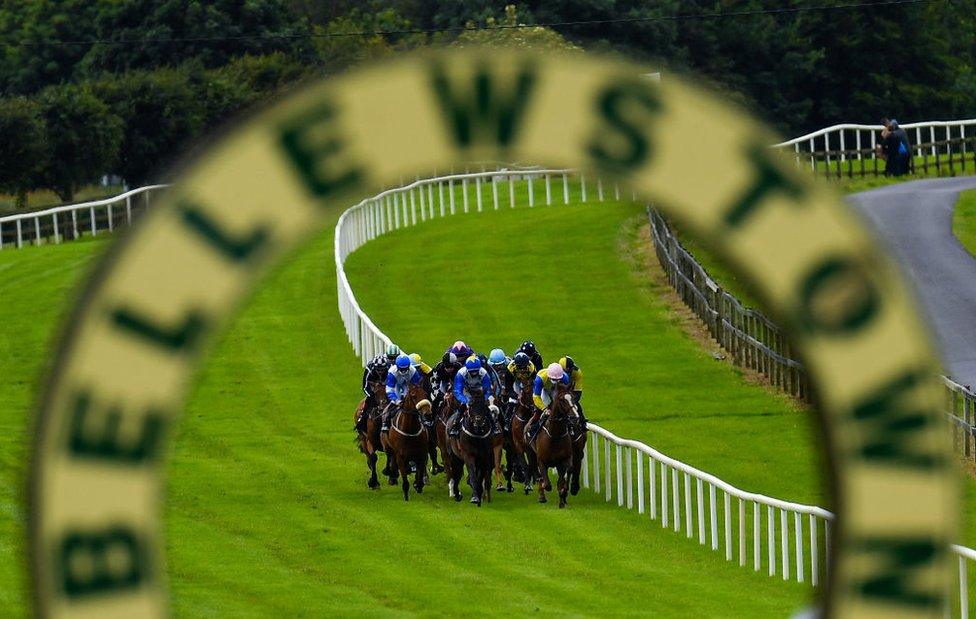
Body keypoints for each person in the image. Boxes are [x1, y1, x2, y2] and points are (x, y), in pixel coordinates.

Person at [449, 356, 499, 436]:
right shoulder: (461, 373)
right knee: (462, 406)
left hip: (480, 391)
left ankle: (494, 426)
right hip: (466, 391)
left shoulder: (483, 372)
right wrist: (465, 400)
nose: (474, 373)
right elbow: (457, 391)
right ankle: (455, 426)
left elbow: (488, 389)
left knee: (485, 405)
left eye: (476, 371)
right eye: (472, 372)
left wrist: (484, 399)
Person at [356, 343, 400, 431]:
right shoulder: (369, 368)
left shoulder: (390, 368)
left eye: (382, 370)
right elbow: (365, 386)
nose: (380, 372)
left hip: (386, 388)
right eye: (378, 370)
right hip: (374, 389)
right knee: (368, 403)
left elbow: (394, 385)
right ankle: (361, 422)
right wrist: (372, 396)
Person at [526, 363, 571, 442]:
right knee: (543, 409)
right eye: (554, 380)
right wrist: (545, 409)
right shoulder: (540, 378)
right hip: (545, 390)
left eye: (558, 380)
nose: (556, 381)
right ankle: (533, 428)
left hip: (558, 390)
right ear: (549, 376)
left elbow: (566, 394)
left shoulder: (565, 378)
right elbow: (536, 397)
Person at [382, 353, 422, 431]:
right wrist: (396, 401)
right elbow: (389, 389)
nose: (403, 371)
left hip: (407, 385)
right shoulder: (392, 372)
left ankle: (425, 422)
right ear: (397, 367)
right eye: (401, 369)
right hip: (396, 385)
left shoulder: (413, 371)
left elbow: (416, 386)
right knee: (391, 406)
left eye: (405, 369)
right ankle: (385, 423)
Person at [504, 352, 536, 429]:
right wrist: (515, 395)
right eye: (520, 368)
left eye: (524, 367)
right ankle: (507, 421)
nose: (522, 370)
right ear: (515, 365)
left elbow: (535, 385)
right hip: (516, 382)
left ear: (528, 365)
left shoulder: (532, 368)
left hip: (528, 382)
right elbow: (508, 386)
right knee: (512, 400)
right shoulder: (510, 368)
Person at [558, 355, 587, 430]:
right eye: (567, 371)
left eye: (570, 370)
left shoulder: (577, 372)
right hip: (557, 388)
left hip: (570, 389)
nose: (570, 372)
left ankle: (582, 423)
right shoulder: (556, 372)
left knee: (576, 405)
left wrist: (572, 402)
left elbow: (578, 392)